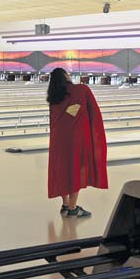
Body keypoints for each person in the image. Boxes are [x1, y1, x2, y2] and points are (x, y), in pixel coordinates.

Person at [47, 68, 108, 218]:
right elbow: (94, 112)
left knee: (63, 170)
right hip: (77, 139)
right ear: (65, 76)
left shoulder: (54, 98)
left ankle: (66, 204)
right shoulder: (82, 89)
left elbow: (53, 121)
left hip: (58, 140)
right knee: (76, 170)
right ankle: (73, 208)